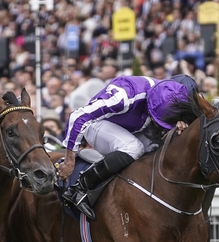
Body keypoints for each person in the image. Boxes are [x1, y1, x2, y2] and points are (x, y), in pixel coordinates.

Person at [58, 75, 198, 220]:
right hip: (96, 124)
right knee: (134, 148)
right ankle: (80, 187)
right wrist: (69, 160)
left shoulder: (172, 93)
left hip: (132, 127)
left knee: (159, 147)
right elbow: (78, 116)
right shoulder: (124, 95)